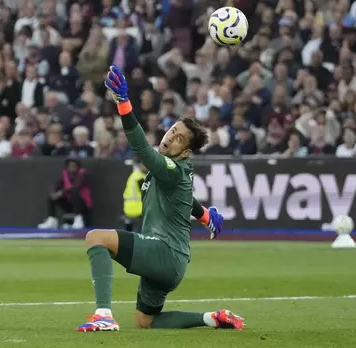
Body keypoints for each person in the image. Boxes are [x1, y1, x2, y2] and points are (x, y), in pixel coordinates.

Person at [76, 65, 242, 332]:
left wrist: (124, 102)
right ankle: (212, 317)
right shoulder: (176, 171)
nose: (170, 137)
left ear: (186, 152)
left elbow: (140, 145)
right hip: (172, 264)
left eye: (179, 139)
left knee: (96, 238)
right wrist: (205, 215)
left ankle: (104, 315)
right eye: (172, 130)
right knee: (146, 322)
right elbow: (184, 198)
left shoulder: (171, 168)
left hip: (163, 252)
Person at [38, 158, 92, 229]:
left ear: (78, 167)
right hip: (70, 205)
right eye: (69, 166)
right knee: (52, 196)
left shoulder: (82, 175)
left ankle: (78, 219)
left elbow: (75, 186)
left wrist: (61, 192)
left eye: (74, 166)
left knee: (74, 192)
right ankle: (52, 220)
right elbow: (57, 185)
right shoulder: (65, 175)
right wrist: (53, 193)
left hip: (82, 205)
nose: (71, 168)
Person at [121, 158, 147, 232]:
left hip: (129, 209)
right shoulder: (139, 177)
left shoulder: (134, 175)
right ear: (140, 165)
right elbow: (146, 192)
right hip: (137, 209)